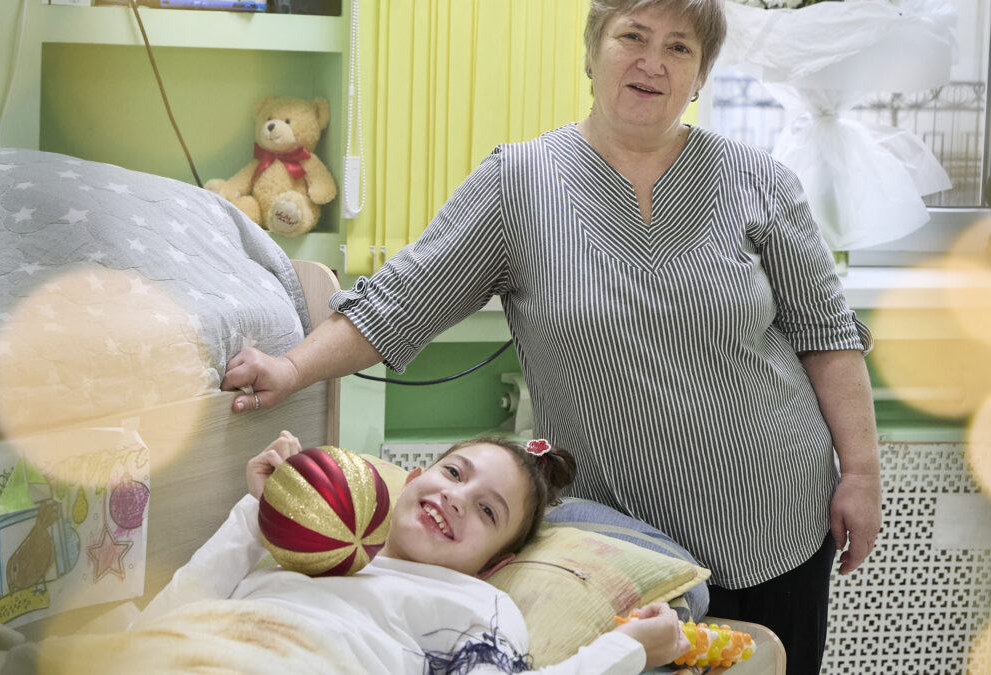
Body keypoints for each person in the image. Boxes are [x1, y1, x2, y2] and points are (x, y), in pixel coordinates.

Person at [222, 1, 882, 672]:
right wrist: (290, 369)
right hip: (618, 550)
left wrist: (860, 472)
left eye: (679, 47)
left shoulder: (760, 181)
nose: (652, 62)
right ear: (593, 50)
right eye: (633, 36)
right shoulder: (518, 183)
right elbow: (399, 302)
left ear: (702, 74)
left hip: (780, 519)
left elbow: (826, 334)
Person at [132, 431, 689, 674]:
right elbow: (165, 617)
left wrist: (628, 648)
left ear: (494, 565)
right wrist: (265, 511)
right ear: (415, 477)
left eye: (488, 511)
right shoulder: (306, 548)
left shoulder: (477, 604)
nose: (456, 498)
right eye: (454, 473)